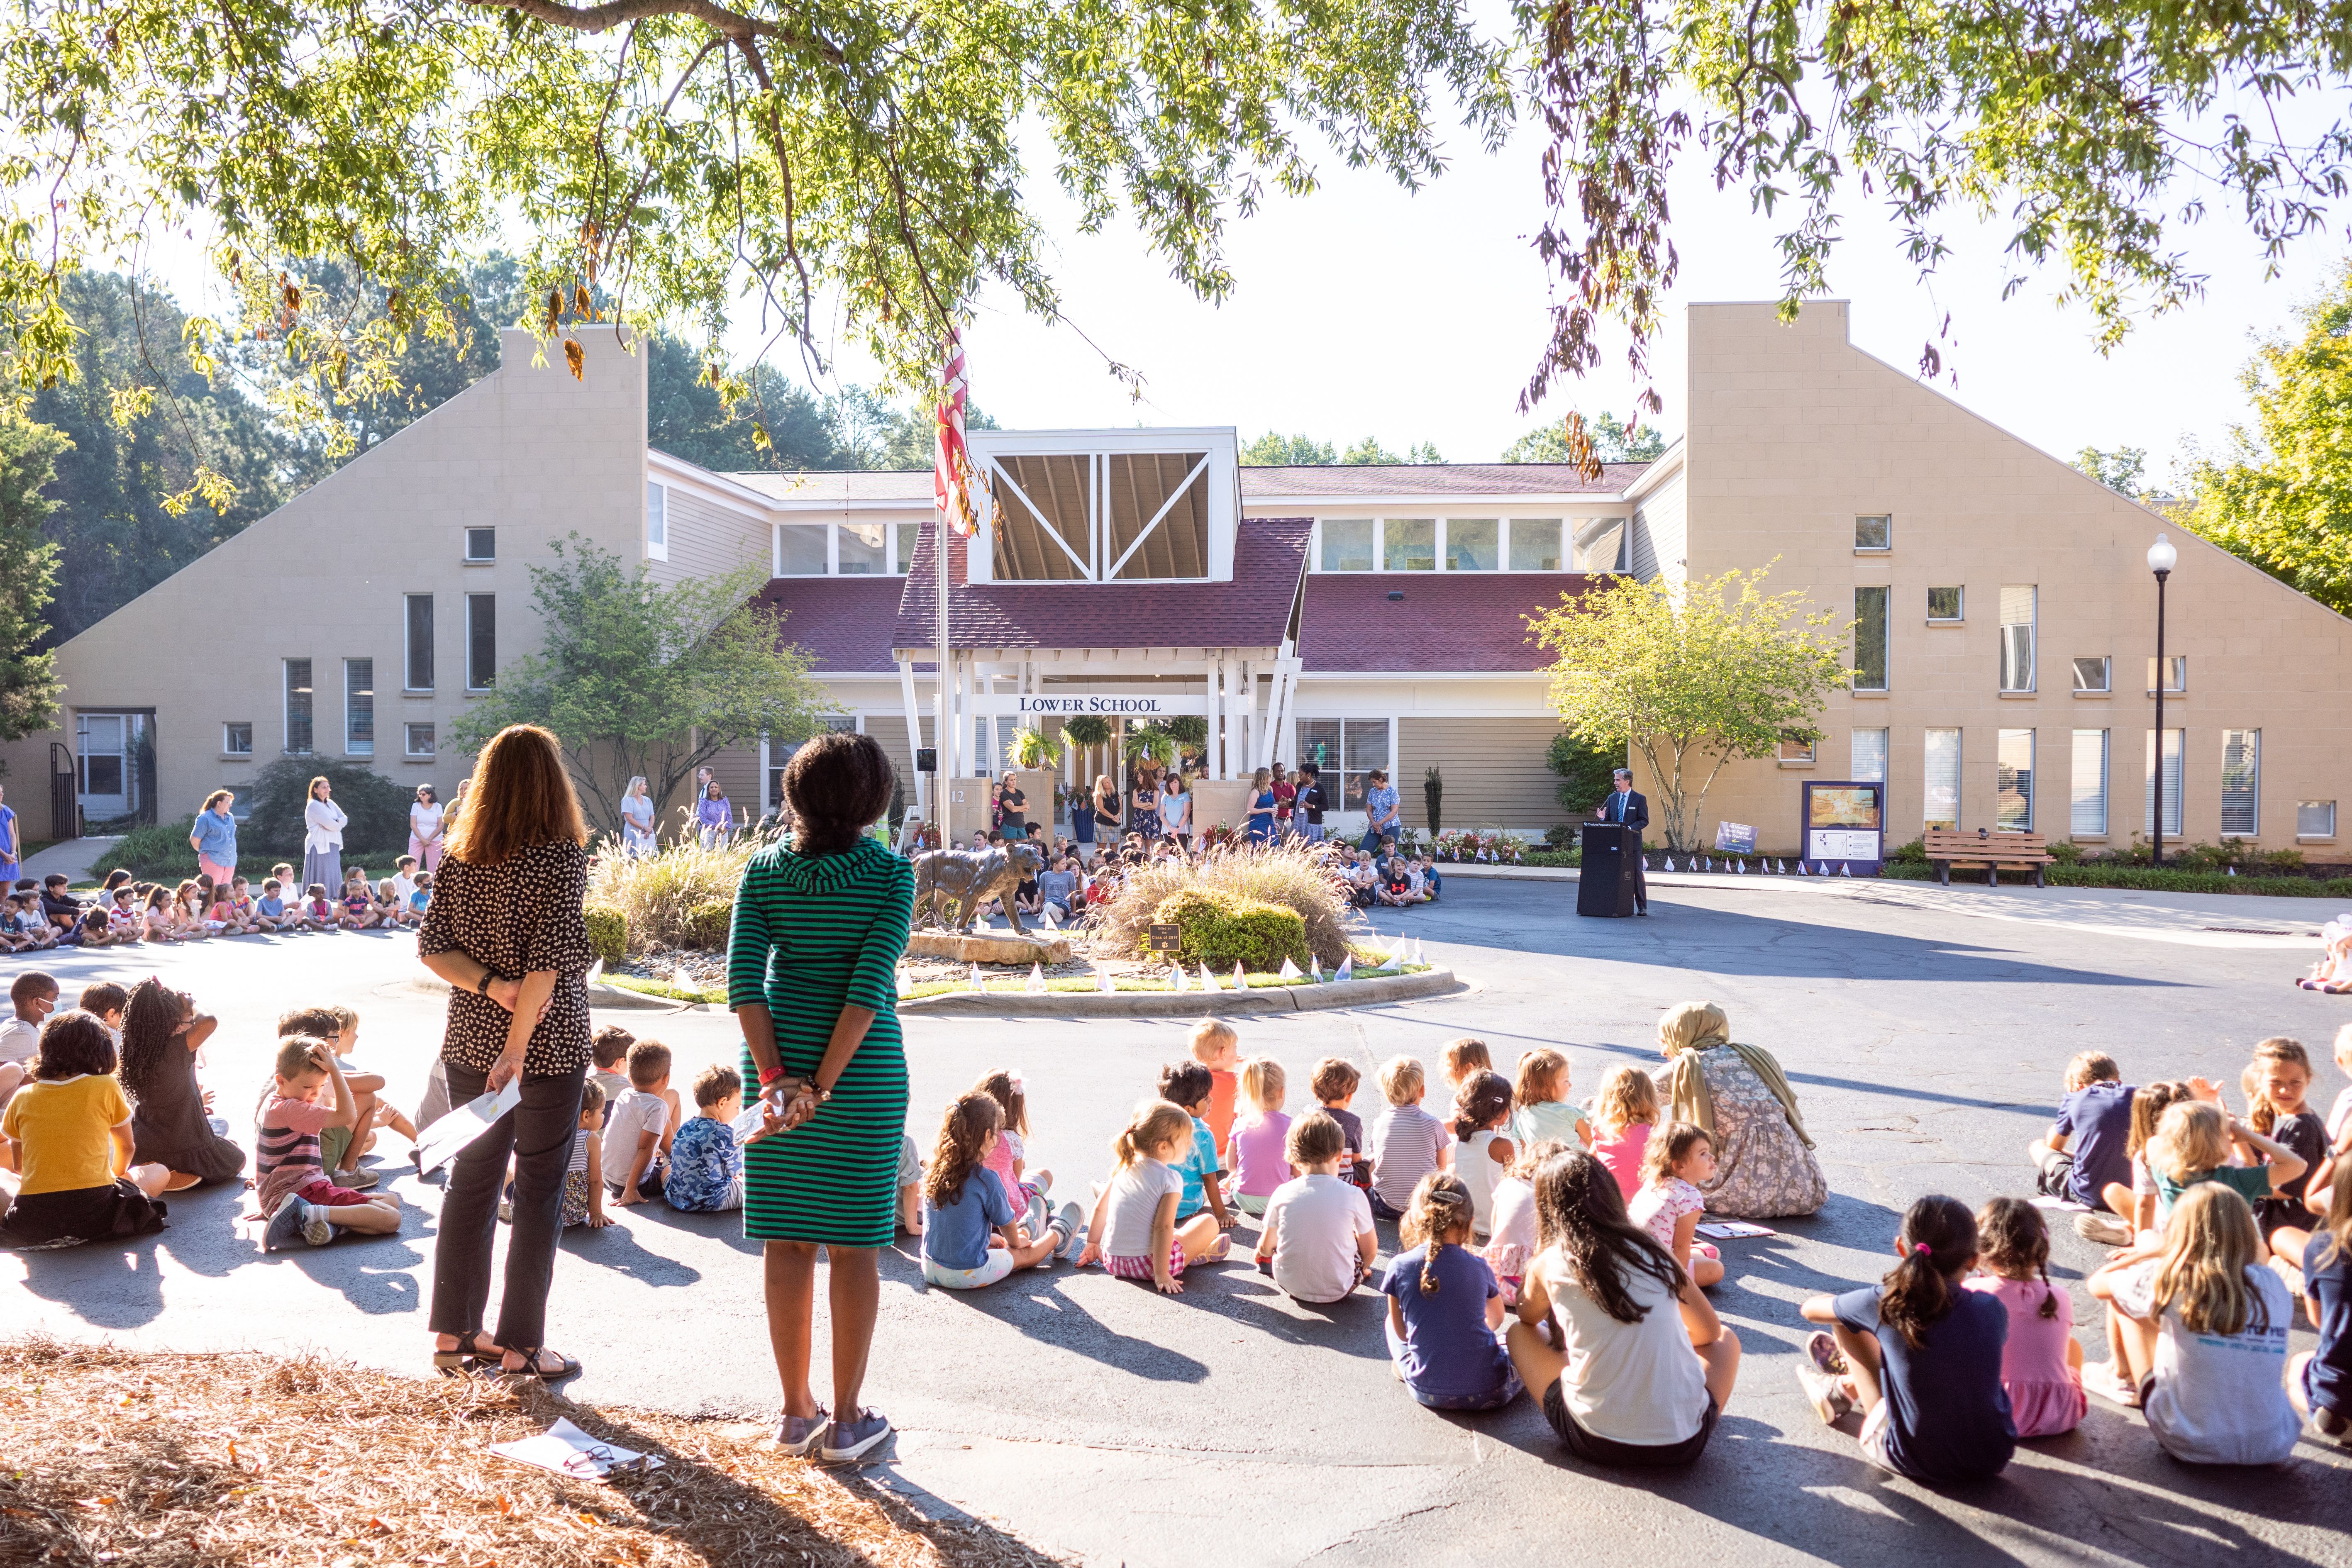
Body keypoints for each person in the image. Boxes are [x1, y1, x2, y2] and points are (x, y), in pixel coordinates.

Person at [726, 731, 911, 1463]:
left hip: (773, 1065)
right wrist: (824, 1086)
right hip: (860, 1077)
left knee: (786, 1238)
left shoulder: (763, 871)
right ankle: (846, 1421)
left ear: (796, 792)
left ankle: (794, 1411)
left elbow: (743, 983)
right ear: (873, 798)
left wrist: (778, 1082)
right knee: (855, 1243)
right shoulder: (893, 874)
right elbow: (867, 991)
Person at [417, 722, 597, 1383]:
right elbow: (548, 966)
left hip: (468, 1038)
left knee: (472, 1182)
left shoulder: (461, 856)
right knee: (541, 1188)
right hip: (545, 1048)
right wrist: (516, 1047)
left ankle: (452, 1334)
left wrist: (491, 988)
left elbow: (432, 946)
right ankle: (523, 1345)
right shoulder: (560, 857)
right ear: (554, 783)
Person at [1509, 1149, 1739, 1464]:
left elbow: (1527, 1315)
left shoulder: (1550, 1261)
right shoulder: (1654, 1248)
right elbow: (1709, 1331)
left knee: (1518, 1334)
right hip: (1682, 1445)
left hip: (1591, 1439)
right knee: (1726, 1339)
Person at [1796, 1195, 2017, 1483]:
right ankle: (1844, 1385)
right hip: (1992, 1458)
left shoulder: (1886, 1303)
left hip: (1914, 1459)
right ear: (1975, 1259)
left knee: (1846, 1318)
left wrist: (1846, 1304)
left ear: (1902, 1247)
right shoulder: (1992, 1307)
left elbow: (1810, 1310)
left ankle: (1842, 1389)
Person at [2084, 1184, 2301, 1463]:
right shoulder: (2272, 1282)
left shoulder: (2173, 1276)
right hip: (2273, 1443)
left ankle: (2124, 1378)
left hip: (2191, 1441)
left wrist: (2144, 1254)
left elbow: (2097, 1285)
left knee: (2123, 1298)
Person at [0, 1010, 171, 1249]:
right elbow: (127, 1147)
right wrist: (116, 1177)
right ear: (102, 1050)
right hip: (99, 1215)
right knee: (160, 1171)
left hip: (33, 1222)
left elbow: (20, 1167)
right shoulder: (106, 1086)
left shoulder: (23, 1096)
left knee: (2, 1176)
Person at [1652, 1000, 1826, 1218]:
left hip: (1738, 1197)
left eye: (1664, 1041)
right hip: (1805, 1192)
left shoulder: (1684, 1068)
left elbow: (1626, 1102)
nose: (1662, 1051)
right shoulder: (1755, 1057)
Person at [1380, 1174, 1520, 1410]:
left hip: (1426, 1391)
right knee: (1517, 1336)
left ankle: (1405, 1367)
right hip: (1490, 1391)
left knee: (1389, 1324)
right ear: (1469, 1223)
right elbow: (1496, 1319)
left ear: (1415, 1218)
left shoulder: (1399, 1266)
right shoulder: (1479, 1266)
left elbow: (1403, 1334)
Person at [255, 1037, 405, 1251]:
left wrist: (269, 1200)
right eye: (308, 1087)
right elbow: (347, 1114)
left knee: (391, 1200)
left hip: (283, 1194)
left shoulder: (273, 1102)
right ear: (281, 1081)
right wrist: (334, 1070)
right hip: (302, 1192)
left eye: (321, 1087)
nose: (315, 1094)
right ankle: (307, 1213)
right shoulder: (292, 1109)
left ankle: (326, 1225)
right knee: (392, 1219)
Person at [921, 1092, 1076, 1288]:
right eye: (996, 1133)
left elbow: (949, 1225)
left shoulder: (933, 1172)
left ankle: (1029, 1227)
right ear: (987, 1135)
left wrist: (986, 1240)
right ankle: (1059, 1231)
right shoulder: (986, 1179)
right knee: (1022, 1253)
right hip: (968, 1275)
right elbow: (1007, 1225)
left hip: (931, 1268)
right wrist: (1017, 1243)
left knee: (998, 1242)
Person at [1078, 1100, 1231, 1291]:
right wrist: (1161, 1274)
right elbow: (1163, 1227)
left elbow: (1100, 1209)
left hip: (1113, 1262)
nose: (1190, 1144)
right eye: (1185, 1140)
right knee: (1208, 1222)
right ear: (1164, 1147)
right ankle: (1194, 1253)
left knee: (1169, 1232)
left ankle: (1198, 1253)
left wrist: (1093, 1244)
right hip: (1149, 1267)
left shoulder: (1124, 1167)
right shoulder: (1170, 1178)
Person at [1967, 1197, 2085, 1438]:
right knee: (2072, 1346)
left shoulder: (1974, 1291)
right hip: (2061, 1414)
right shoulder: (2059, 1295)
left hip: (1997, 1412)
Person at [119, 979, 244, 1190]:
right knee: (238, 1157)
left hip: (146, 1141)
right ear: (175, 1025)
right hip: (184, 1138)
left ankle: (158, 1169)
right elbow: (209, 1022)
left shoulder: (135, 1049)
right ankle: (179, 1172)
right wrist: (191, 1003)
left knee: (218, 1124)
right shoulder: (175, 1049)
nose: (191, 1026)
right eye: (189, 1022)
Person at [1255, 1111, 1378, 1303]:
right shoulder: (1354, 1195)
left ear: (1294, 1158)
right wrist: (1364, 1267)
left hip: (1289, 1283)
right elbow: (1370, 1250)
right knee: (1354, 1236)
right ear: (1339, 1155)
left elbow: (1265, 1247)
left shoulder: (1282, 1192)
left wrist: (1263, 1252)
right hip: (1339, 1288)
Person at [2145, 1099, 2304, 1226]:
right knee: (2261, 1247)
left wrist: (2195, 1123)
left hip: (2183, 1253)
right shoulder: (2235, 1180)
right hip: (2232, 1259)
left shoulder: (2163, 1171)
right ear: (2217, 1145)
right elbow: (2297, 1165)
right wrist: (2246, 1134)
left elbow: (2154, 1142)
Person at [2241, 1036, 2329, 1267]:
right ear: (2259, 1081)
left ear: (2308, 1080)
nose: (2284, 1090)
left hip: (2295, 1227)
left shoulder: (2302, 1127)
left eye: (2295, 1082)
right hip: (2282, 1222)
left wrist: (2236, 1183)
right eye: (2275, 1081)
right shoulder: (2285, 1117)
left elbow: (2285, 1189)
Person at [2032, 1049, 2136, 1244]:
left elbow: (2054, 1144)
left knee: (2038, 1147)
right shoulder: (2142, 1095)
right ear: (2118, 1079)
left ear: (2078, 1085)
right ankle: (2134, 1226)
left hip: (2089, 1191)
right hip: (2134, 1190)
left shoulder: (2076, 1098)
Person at [2290, 1172, 2352, 1441]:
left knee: (2297, 1364)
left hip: (2339, 1390)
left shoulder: (2320, 1245)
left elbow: (2317, 1319)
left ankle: (2329, 1415)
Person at [1629, 1123, 1725, 1288]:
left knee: (1713, 1252)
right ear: (1679, 1165)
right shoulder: (1690, 1196)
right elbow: (1681, 1247)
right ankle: (1700, 1254)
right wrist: (1678, 1287)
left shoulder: (1654, 1182)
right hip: (1654, 1272)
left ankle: (1700, 1252)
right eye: (1703, 1153)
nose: (1712, 1157)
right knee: (1716, 1269)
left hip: (1632, 1261)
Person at [1367, 1056, 1451, 1224]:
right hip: (1424, 1206)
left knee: (1368, 1164)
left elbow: (1377, 1160)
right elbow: (1442, 1168)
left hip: (1386, 1207)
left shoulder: (1380, 1123)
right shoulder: (1433, 1124)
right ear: (1422, 1090)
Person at [1157, 1061, 1235, 1230]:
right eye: (1206, 1098)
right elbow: (1209, 1178)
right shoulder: (1203, 1135)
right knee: (1215, 1185)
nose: (1211, 1100)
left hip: (1155, 1207)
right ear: (1188, 1109)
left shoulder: (1155, 1124)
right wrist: (1221, 1214)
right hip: (1186, 1208)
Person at [605, 1039, 680, 1205]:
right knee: (668, 1170)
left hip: (608, 1177)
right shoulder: (658, 1107)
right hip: (634, 1183)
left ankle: (676, 1157)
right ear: (666, 1078)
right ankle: (678, 1163)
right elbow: (645, 1148)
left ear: (630, 1077)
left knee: (665, 1124)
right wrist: (631, 1189)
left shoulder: (625, 1094)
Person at [666, 1066, 749, 1214]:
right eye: (737, 1107)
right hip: (713, 1200)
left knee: (666, 1170)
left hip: (677, 1198)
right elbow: (745, 1172)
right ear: (722, 1103)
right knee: (754, 1188)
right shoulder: (727, 1134)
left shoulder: (685, 1127)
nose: (738, 1112)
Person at [1449, 1071, 1514, 1239]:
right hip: (1492, 1228)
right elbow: (1515, 1185)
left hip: (1464, 1225)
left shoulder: (1461, 1139)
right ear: (1500, 1112)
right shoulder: (1502, 1146)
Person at [1229, 1058, 1294, 1217]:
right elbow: (1297, 1170)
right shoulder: (1291, 1125)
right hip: (1280, 1200)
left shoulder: (1240, 1123)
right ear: (1281, 1092)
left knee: (1232, 1179)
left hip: (1244, 1199)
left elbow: (1232, 1167)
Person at [1589, 1064, 1659, 1200]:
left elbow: (1590, 1162)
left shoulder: (1602, 1130)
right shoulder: (1655, 1135)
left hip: (1608, 1201)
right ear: (1648, 1097)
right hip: (1643, 1202)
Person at [1509, 1048, 1590, 1153]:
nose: (1570, 1085)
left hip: (1543, 1168)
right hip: (1577, 1166)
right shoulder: (1569, 1113)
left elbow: (1526, 1152)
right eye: (1566, 1080)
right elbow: (1595, 1146)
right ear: (1546, 1087)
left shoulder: (1521, 1116)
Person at [1593, 767, 1649, 915]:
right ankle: (1613, 904)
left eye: (1618, 780)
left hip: (1633, 844)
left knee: (1636, 874)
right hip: (1615, 844)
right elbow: (1610, 820)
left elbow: (1644, 820)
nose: (1615, 783)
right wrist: (1603, 818)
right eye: (1615, 780)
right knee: (1614, 873)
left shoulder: (1639, 799)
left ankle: (1642, 906)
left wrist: (1629, 828)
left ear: (1627, 782)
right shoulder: (1612, 798)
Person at [1310, 1057, 1371, 1194]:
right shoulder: (1352, 1122)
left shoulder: (1308, 1113)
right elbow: (1356, 1160)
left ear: (1315, 1092)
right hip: (1345, 1182)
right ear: (1349, 1097)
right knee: (1372, 1161)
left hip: (1312, 1176)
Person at [0, 972, 59, 1112]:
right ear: (37, 1002)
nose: (57, 1003)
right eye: (55, 998)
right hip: (9, 1104)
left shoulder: (18, 1024)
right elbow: (4, 1068)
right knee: (15, 1070)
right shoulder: (22, 1034)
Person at [1190, 1019, 1242, 1156]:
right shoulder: (1235, 1080)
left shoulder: (1192, 1079)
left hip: (1196, 1150)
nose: (1237, 1055)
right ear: (1224, 1053)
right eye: (1235, 1049)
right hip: (1223, 1153)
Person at [303, 776, 348, 900]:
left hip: (333, 845)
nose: (327, 789)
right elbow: (332, 825)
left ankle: (335, 899)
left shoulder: (331, 804)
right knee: (323, 874)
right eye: (323, 787)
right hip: (320, 846)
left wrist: (335, 822)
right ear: (315, 789)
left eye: (328, 787)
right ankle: (321, 902)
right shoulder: (313, 805)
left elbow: (344, 819)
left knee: (334, 874)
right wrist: (335, 823)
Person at [189, 790, 239, 890]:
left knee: (225, 891)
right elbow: (194, 840)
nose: (230, 805)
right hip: (212, 859)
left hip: (230, 860)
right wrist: (206, 852)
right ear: (219, 803)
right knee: (213, 890)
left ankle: (222, 907)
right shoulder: (205, 818)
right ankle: (211, 907)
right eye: (228, 803)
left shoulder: (230, 817)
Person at [1359, 768, 1400, 851]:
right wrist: (1375, 824)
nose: (1373, 785)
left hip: (1391, 826)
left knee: (1390, 852)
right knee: (1363, 851)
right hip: (1375, 827)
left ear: (1381, 779)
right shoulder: (1372, 792)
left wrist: (1380, 823)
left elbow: (1394, 811)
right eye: (1372, 782)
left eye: (1375, 782)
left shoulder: (1392, 791)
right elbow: (1369, 810)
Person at [407, 785, 446, 874]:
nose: (421, 796)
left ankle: (433, 886)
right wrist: (422, 839)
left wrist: (429, 840)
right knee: (413, 864)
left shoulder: (438, 807)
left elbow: (441, 825)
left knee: (434, 867)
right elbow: (413, 825)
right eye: (419, 794)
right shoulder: (415, 806)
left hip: (435, 840)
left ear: (430, 795)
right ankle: (412, 886)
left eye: (423, 794)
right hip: (417, 839)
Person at [620, 776, 657, 856]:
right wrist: (644, 828)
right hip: (633, 830)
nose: (646, 786)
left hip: (648, 831)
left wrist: (649, 829)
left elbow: (652, 816)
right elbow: (629, 819)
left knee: (649, 855)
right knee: (633, 855)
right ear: (638, 786)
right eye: (644, 785)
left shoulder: (648, 800)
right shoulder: (628, 800)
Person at [1157, 771, 1191, 854]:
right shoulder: (1165, 797)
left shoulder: (1185, 796)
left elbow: (1186, 815)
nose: (1174, 785)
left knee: (1181, 856)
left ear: (1180, 783)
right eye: (1171, 783)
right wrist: (1171, 828)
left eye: (1176, 782)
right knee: (1169, 856)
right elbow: (1162, 815)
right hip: (1167, 831)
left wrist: (1177, 829)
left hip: (1182, 831)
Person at [696, 778, 733, 848]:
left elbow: (729, 817)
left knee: (723, 854)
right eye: (712, 787)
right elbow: (703, 818)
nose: (714, 789)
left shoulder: (725, 801)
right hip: (708, 831)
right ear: (708, 790)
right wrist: (717, 826)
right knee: (707, 854)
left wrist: (725, 828)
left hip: (723, 831)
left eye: (716, 787)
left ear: (719, 789)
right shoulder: (704, 802)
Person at [1295, 762, 1327, 845]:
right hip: (1299, 823)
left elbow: (1325, 806)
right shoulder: (1299, 785)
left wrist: (1311, 806)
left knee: (1311, 849)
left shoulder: (1319, 787)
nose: (1299, 777)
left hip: (1312, 824)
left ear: (1308, 775)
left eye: (1301, 775)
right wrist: (1288, 802)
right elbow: (1297, 802)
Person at [1244, 767, 1277, 845]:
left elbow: (1271, 807)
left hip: (1269, 823)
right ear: (1264, 778)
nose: (1271, 778)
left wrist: (1274, 822)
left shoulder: (1270, 789)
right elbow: (1249, 810)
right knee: (1259, 847)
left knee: (1274, 845)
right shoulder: (1256, 792)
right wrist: (1267, 810)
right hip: (1259, 824)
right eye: (1269, 776)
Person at [1270, 761, 1297, 839]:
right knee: (1275, 845)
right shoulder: (1271, 787)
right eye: (1278, 771)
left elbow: (1294, 804)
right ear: (1274, 773)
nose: (1280, 773)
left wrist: (1281, 803)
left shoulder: (1290, 787)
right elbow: (1272, 806)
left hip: (1288, 821)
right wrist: (1288, 802)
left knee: (1287, 846)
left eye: (1282, 771)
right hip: (1276, 820)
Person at [0, 781, 17, 889]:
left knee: (5, 893)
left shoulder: (6, 811)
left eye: (2, 793)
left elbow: (12, 834)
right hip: (3, 855)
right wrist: (4, 855)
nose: (2, 795)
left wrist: (13, 853)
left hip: (8, 858)